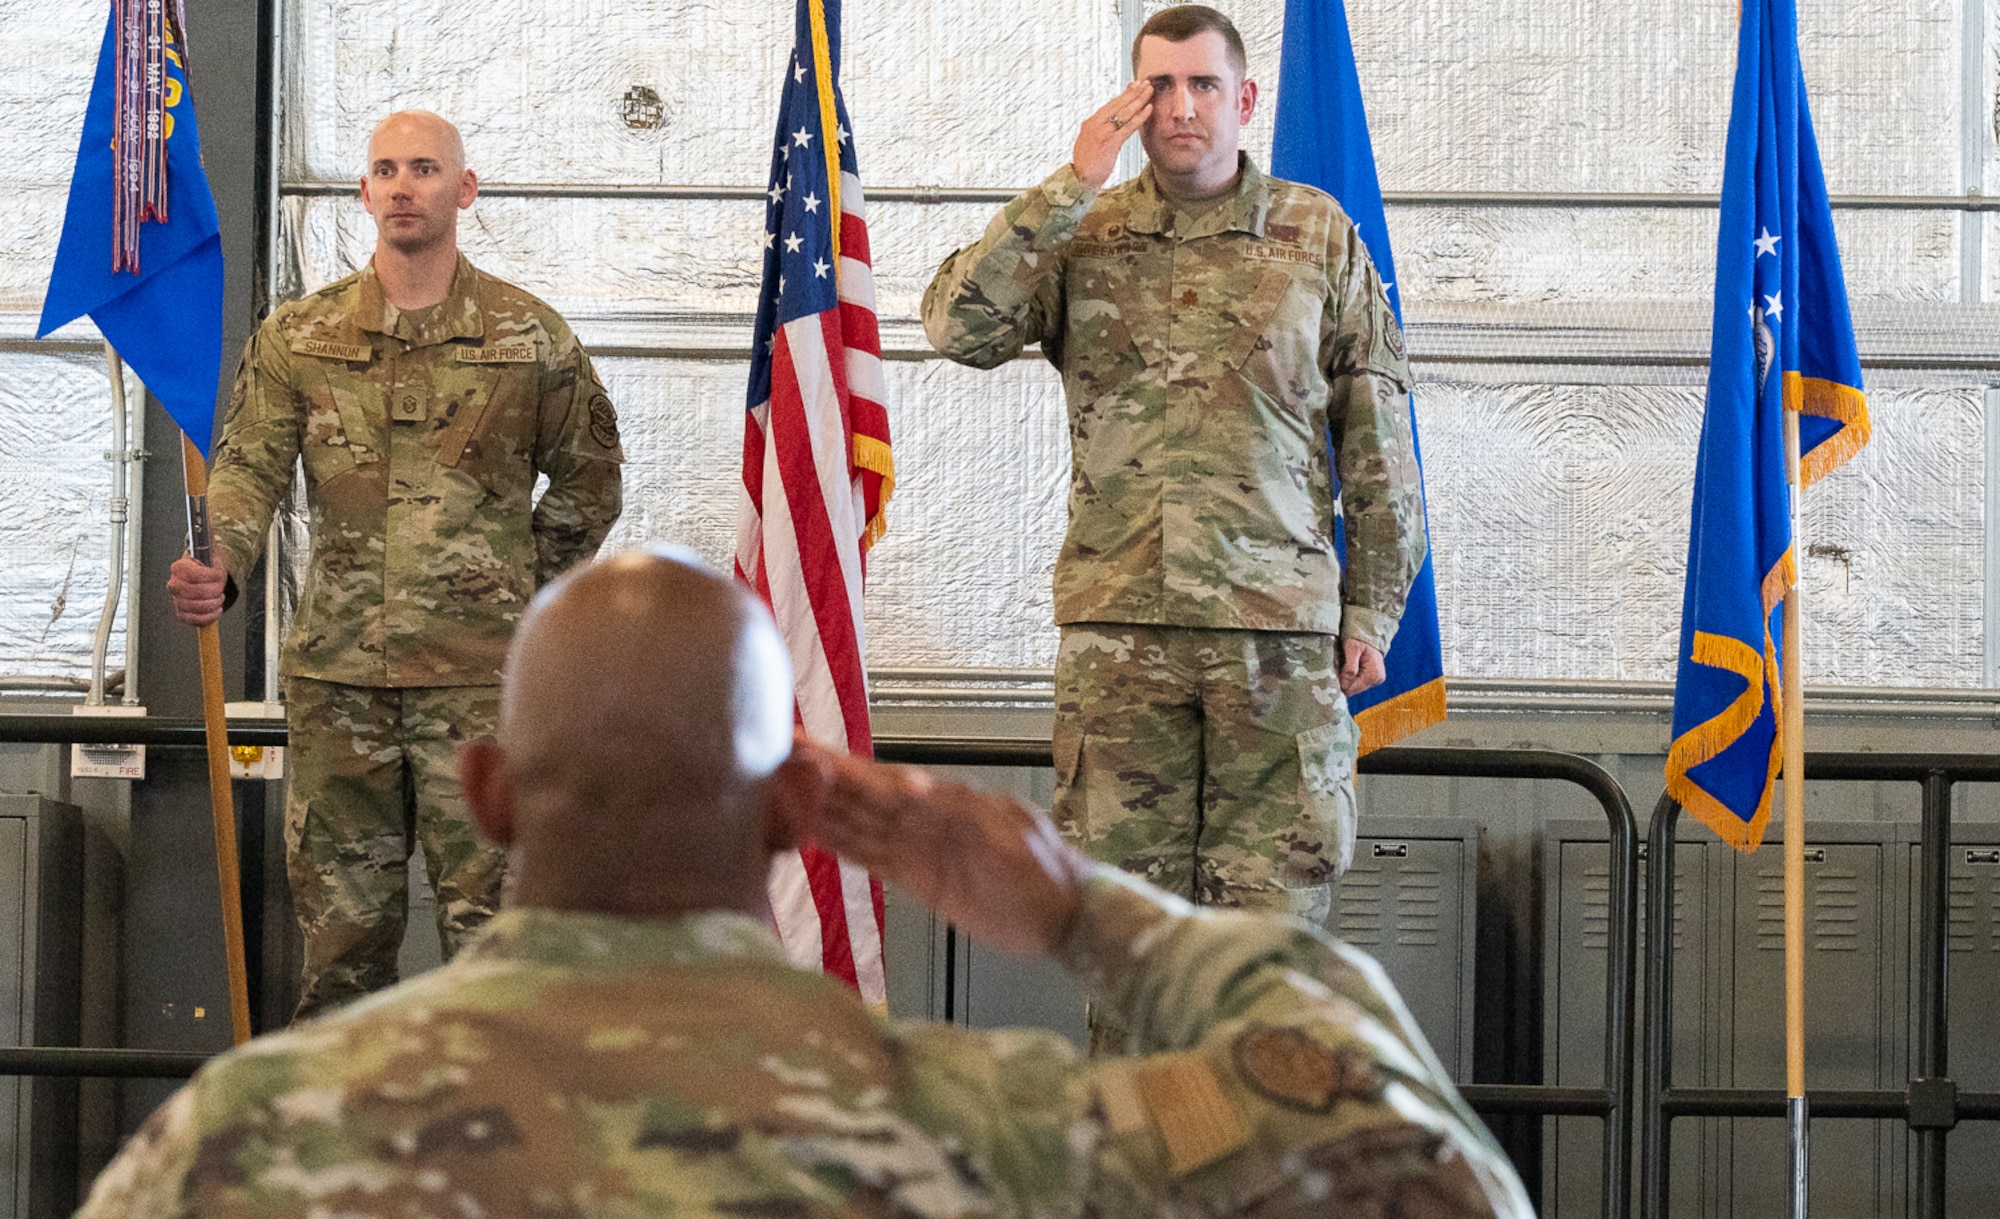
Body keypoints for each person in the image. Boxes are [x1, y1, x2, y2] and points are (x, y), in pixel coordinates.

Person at [80, 547, 1530, 1218]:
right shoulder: (989, 1136)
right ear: (799, 812)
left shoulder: (240, 1142)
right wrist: (1093, 910)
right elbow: (1413, 1154)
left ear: (488, 794)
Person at [921, 5, 1425, 927]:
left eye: (1203, 84)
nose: (1181, 107)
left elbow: (1377, 433)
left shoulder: (1316, 235)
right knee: (1123, 941)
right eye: (1160, 86)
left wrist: (1375, 609)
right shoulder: (1084, 232)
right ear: (1133, 100)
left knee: (1271, 951)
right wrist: (1067, 185)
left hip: (1276, 640)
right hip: (1122, 641)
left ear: (1245, 97)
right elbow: (956, 326)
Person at [165, 110, 624, 1019]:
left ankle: (499, 1150)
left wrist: (515, 591)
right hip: (341, 688)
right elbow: (250, 467)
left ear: (466, 189)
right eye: (386, 169)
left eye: (424, 168)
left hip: (482, 691)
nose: (404, 184)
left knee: (497, 949)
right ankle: (349, 1152)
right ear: (364, 193)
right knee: (341, 956)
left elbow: (590, 481)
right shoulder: (302, 335)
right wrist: (224, 560)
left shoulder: (530, 338)